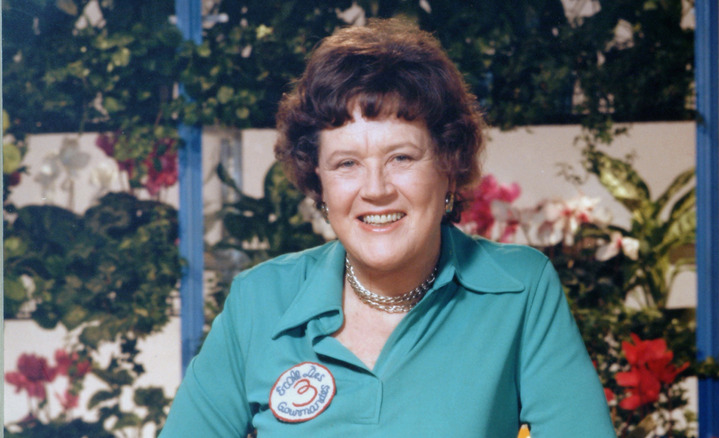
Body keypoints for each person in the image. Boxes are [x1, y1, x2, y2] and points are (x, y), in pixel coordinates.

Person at [160, 18, 615, 437]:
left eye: (401, 157)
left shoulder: (519, 290)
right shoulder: (259, 301)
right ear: (317, 180)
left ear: (449, 165)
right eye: (347, 164)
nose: (375, 189)